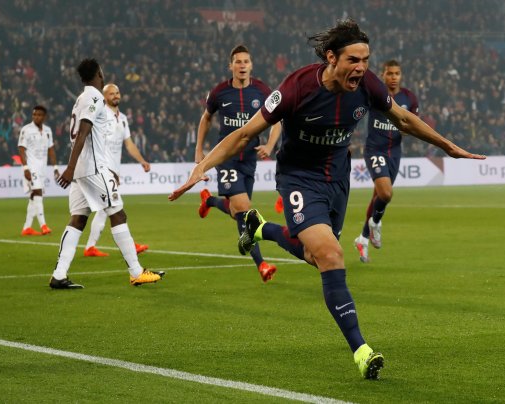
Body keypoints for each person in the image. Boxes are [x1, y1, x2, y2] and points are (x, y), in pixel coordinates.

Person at [170, 19, 485, 379]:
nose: (362, 67)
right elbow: (243, 134)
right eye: (354, 59)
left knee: (314, 255)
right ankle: (362, 351)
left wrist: (448, 147)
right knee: (331, 254)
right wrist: (202, 165)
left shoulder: (367, 85)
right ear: (332, 58)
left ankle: (261, 229)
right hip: (299, 179)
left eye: (366, 59)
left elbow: (403, 119)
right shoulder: (295, 87)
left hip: (337, 178)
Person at [49, 58, 164, 289]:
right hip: (90, 168)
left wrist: (76, 168)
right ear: (99, 73)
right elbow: (83, 131)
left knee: (78, 219)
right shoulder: (93, 97)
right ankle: (136, 272)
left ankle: (59, 275)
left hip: (85, 168)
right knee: (118, 214)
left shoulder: (81, 98)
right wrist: (70, 168)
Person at [194, 45, 282, 283]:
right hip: (227, 158)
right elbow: (206, 118)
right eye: (238, 62)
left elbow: (277, 121)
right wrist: (199, 149)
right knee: (243, 208)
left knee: (237, 212)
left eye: (246, 61)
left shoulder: (262, 90)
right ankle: (261, 264)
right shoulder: (220, 92)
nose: (242, 65)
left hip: (249, 158)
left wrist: (270, 145)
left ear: (251, 65)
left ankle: (210, 200)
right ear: (230, 66)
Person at [353, 60, 419, 263]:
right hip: (375, 149)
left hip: (395, 153)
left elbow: (412, 124)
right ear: (383, 75)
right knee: (386, 193)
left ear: (401, 76)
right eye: (389, 73)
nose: (393, 77)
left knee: (378, 197)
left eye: (397, 73)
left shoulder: (409, 98)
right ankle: (376, 224)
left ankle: (362, 239)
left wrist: (406, 130)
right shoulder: (375, 94)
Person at [83, 83, 150, 257]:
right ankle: (128, 245)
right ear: (104, 97)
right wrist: (106, 169)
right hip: (102, 169)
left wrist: (142, 161)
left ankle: (90, 247)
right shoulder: (100, 115)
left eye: (117, 92)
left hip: (113, 170)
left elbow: (128, 144)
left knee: (104, 209)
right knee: (114, 207)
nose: (115, 96)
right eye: (111, 93)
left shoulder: (123, 118)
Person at [18, 105, 59, 236]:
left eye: (39, 115)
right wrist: (25, 167)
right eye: (34, 114)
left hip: (42, 168)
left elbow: (51, 149)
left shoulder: (48, 130)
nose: (36, 117)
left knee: (33, 196)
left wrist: (55, 167)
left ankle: (27, 227)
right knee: (38, 192)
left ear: (44, 117)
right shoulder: (26, 129)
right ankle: (43, 225)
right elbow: (21, 149)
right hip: (31, 167)